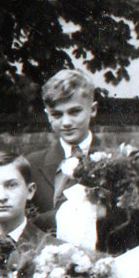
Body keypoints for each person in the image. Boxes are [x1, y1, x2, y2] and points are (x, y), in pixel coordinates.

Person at [26, 69, 98, 224]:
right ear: (48, 115)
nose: (66, 123)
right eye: (57, 115)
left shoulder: (118, 160)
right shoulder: (32, 165)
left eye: (74, 112)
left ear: (93, 110)